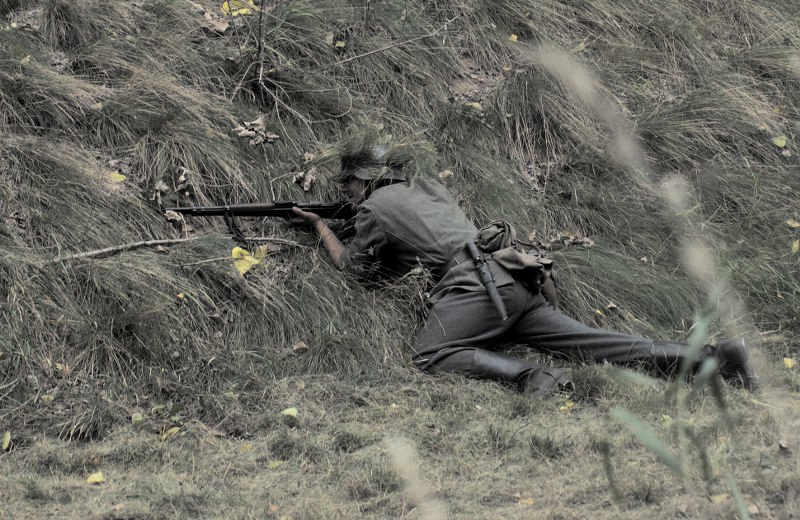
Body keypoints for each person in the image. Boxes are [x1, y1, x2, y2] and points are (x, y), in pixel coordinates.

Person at [290, 146, 758, 395]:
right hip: (512, 277)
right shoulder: (427, 186)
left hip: (474, 289)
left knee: (429, 355)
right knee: (598, 343)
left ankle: (534, 378)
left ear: (363, 180)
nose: (348, 196)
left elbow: (352, 269)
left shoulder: (373, 208)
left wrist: (320, 227)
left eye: (349, 188)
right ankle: (717, 357)